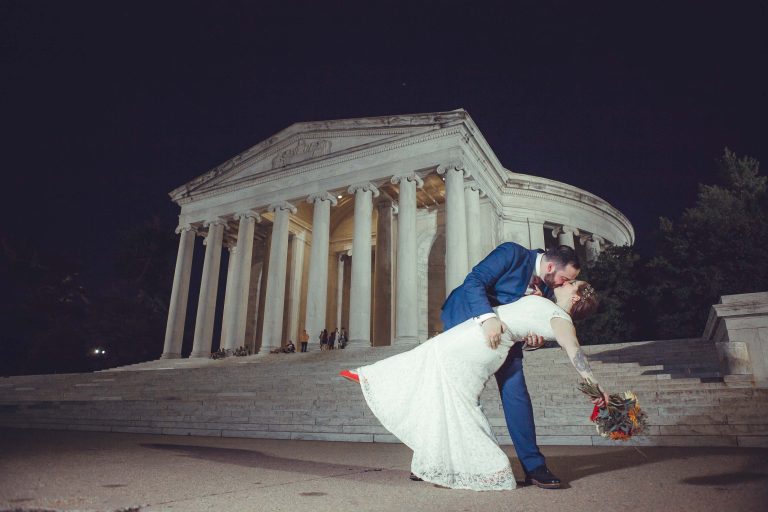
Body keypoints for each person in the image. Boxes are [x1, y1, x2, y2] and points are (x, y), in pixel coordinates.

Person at [340, 280, 607, 491]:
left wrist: (595, 386)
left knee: (455, 392)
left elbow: (573, 350)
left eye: (573, 283)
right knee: (437, 370)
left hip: (483, 344)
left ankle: (489, 467)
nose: (567, 281)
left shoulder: (562, 320)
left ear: (576, 297)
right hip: (475, 332)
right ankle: (433, 459)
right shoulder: (545, 301)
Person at [440, 243, 582, 489]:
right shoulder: (512, 253)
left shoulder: (548, 290)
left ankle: (534, 467)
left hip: (506, 336)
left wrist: (532, 341)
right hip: (465, 319)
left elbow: (530, 323)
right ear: (550, 267)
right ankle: (435, 462)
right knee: (455, 394)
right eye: (563, 279)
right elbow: (474, 281)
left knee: (516, 392)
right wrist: (488, 318)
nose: (563, 285)